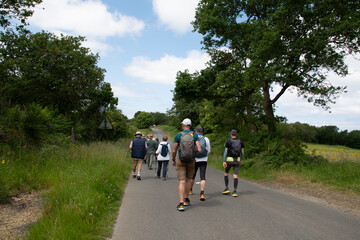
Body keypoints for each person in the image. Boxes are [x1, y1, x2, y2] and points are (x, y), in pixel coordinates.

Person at [172, 118, 201, 211]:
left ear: (183, 125)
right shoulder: (195, 135)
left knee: (181, 181)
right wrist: (193, 153)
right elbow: (199, 149)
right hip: (191, 160)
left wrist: (173, 159)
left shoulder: (179, 135)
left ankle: (181, 204)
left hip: (180, 160)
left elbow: (174, 150)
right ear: (190, 125)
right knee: (189, 180)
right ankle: (186, 199)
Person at [189, 126, 211, 201]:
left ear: (196, 131)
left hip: (194, 159)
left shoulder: (193, 138)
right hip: (204, 159)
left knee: (192, 176)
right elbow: (209, 150)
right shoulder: (206, 139)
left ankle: (190, 190)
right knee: (203, 176)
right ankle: (202, 193)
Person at [222, 129, 245, 197]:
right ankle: (234, 191)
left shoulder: (228, 141)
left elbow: (225, 152)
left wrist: (224, 160)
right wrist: (241, 160)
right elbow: (242, 152)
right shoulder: (240, 141)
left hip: (229, 159)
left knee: (226, 173)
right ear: (236, 134)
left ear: (231, 134)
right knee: (235, 175)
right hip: (237, 160)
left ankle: (226, 188)